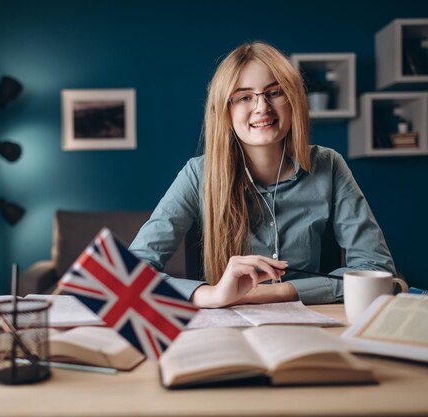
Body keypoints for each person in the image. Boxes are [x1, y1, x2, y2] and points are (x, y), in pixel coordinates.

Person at [129, 41, 395, 308]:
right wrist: (212, 294)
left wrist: (279, 292)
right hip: (226, 323)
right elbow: (129, 274)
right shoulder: (197, 174)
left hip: (310, 323)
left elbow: (375, 269)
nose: (262, 107)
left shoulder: (329, 165)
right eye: (244, 97)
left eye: (275, 92)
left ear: (293, 100)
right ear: (225, 110)